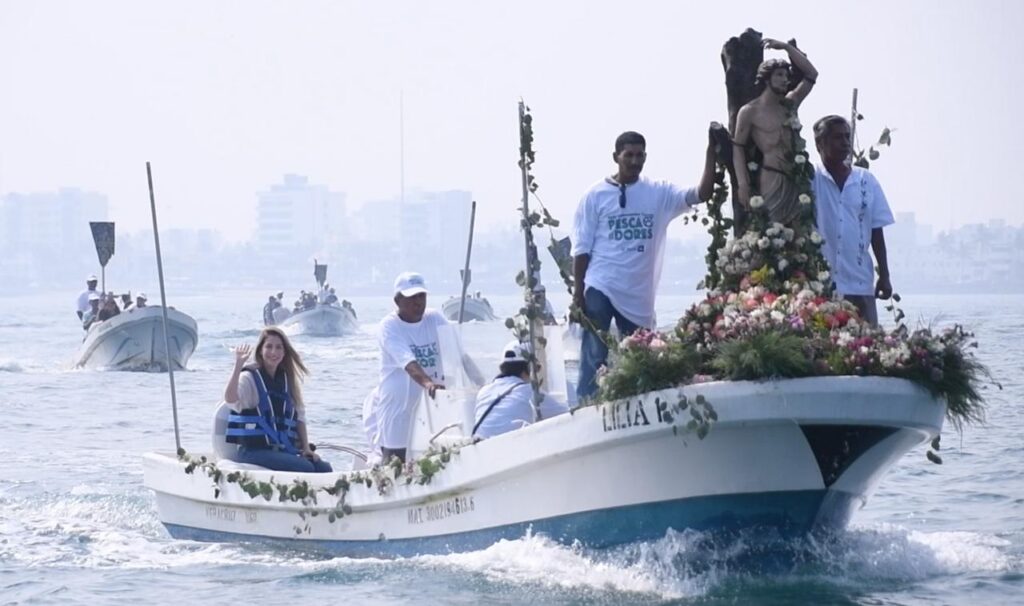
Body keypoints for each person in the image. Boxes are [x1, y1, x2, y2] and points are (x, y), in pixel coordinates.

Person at [570, 130, 717, 400]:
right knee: (595, 349)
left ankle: (637, 401)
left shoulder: (658, 192)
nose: (634, 161)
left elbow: (701, 193)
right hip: (600, 282)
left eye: (640, 156)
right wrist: (578, 293)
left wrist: (711, 153)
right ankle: (586, 403)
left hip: (637, 292)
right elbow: (581, 249)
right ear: (616, 157)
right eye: (629, 155)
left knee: (638, 354)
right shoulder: (595, 195)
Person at [362, 271, 482, 463]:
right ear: (397, 300)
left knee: (440, 454)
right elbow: (408, 363)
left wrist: (481, 383)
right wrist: (427, 383)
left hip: (433, 403)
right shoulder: (389, 326)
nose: (418, 302)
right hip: (398, 406)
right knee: (394, 461)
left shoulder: (434, 318)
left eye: (421, 296)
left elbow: (460, 355)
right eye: (411, 297)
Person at [811, 115, 894, 325]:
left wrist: (884, 275)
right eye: (838, 137)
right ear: (819, 143)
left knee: (866, 347)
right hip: (821, 285)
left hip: (859, 282)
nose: (845, 143)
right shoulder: (810, 179)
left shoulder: (866, 181)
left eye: (847, 137)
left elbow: (876, 232)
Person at [733, 37, 819, 225]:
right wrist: (743, 184)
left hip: (796, 179)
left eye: (786, 76)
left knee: (799, 235)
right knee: (773, 231)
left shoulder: (790, 104)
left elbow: (812, 74)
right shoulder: (750, 112)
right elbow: (738, 146)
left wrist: (787, 48)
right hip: (771, 177)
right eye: (779, 75)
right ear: (766, 79)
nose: (785, 80)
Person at [222, 327, 332, 472]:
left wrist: (306, 448)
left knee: (323, 468)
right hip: (252, 451)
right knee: (305, 467)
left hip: (281, 449)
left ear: (284, 352)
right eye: (269, 346)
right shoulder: (249, 378)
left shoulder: (287, 381)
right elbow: (230, 400)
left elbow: (299, 417)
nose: (274, 352)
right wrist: (238, 366)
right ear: (260, 350)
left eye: (279, 347)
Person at [473, 341, 568, 439]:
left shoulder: (484, 391)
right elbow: (566, 415)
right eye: (537, 368)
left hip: (483, 446)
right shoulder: (529, 391)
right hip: (513, 447)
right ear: (528, 368)